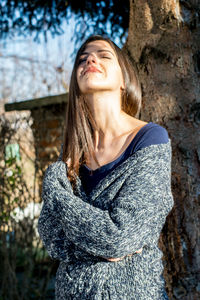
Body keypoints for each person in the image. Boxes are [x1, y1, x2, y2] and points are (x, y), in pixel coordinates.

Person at [38, 35, 174, 300]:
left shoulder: (150, 139)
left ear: (124, 80)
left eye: (103, 54)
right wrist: (102, 246)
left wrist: (57, 193)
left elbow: (120, 237)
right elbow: (51, 239)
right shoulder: (71, 154)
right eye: (82, 57)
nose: (90, 59)